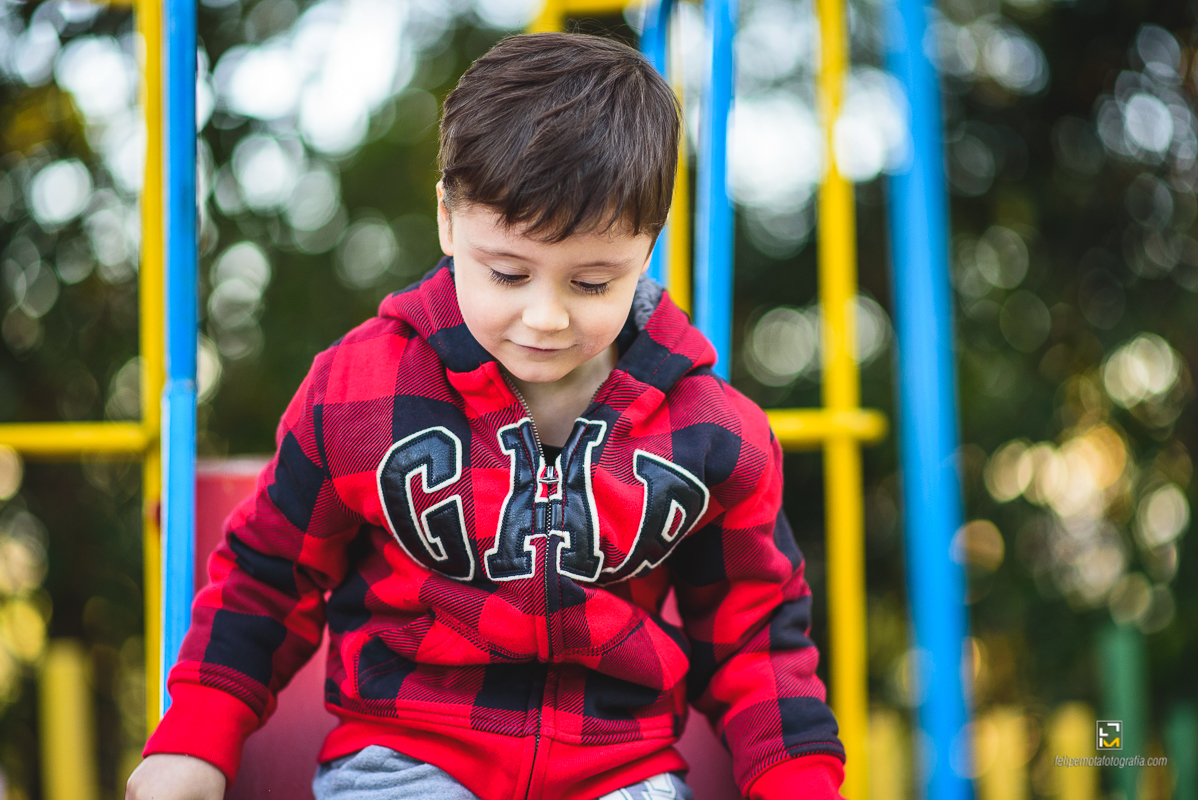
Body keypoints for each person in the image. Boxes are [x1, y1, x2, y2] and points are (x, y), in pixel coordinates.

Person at [127, 32, 846, 800]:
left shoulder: (712, 433)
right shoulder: (360, 392)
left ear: (648, 248)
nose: (545, 316)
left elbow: (755, 636)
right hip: (408, 759)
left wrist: (798, 782)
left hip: (616, 770)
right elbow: (269, 576)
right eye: (507, 272)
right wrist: (196, 739)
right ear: (447, 220)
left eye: (593, 284)